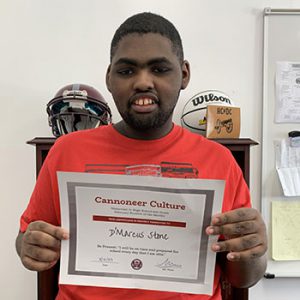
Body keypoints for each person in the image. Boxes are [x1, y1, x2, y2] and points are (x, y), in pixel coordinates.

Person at [16, 12, 267, 300]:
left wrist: (254, 249)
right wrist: (30, 245)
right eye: (127, 71)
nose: (143, 83)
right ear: (109, 77)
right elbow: (26, 239)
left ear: (183, 74)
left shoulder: (219, 160)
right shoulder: (66, 151)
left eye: (159, 69)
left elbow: (243, 278)